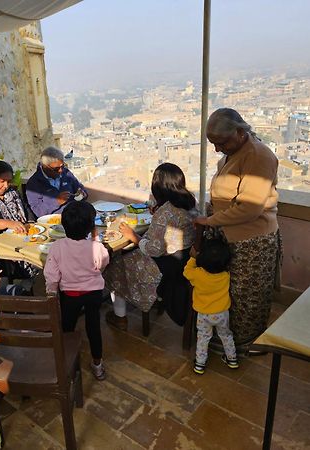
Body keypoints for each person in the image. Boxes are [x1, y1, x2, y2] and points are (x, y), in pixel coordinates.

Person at [194, 108, 281, 350]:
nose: (217, 149)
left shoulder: (258, 156)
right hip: (230, 235)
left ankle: (247, 344)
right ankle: (228, 338)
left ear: (240, 132)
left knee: (248, 296)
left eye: (221, 143)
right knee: (229, 292)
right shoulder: (233, 154)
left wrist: (210, 221)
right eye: (213, 144)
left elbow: (250, 208)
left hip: (252, 239)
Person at [105, 163, 197, 330]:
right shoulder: (190, 202)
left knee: (115, 262)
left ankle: (120, 316)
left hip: (163, 267)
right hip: (182, 261)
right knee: (129, 252)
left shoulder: (165, 213)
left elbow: (154, 249)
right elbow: (174, 236)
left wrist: (133, 236)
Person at [44, 201, 110, 381]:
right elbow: (102, 263)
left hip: (70, 296)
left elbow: (51, 276)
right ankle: (97, 366)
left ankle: (66, 365)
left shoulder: (56, 247)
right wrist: (95, 239)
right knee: (93, 327)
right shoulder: (96, 247)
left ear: (63, 225)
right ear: (90, 227)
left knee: (67, 328)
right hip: (94, 294)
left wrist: (52, 296)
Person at [184, 239, 238, 375]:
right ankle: (232, 359)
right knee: (226, 335)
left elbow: (186, 272)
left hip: (204, 314)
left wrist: (193, 258)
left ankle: (200, 364)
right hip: (222, 313)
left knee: (203, 337)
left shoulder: (197, 274)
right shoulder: (226, 275)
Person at [26, 146, 87, 219]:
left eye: (62, 166)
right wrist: (56, 201)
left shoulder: (66, 173)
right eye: (56, 169)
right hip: (53, 222)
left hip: (74, 217)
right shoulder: (34, 183)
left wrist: (82, 193)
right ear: (45, 167)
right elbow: (37, 211)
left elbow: (79, 188)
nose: (61, 170)